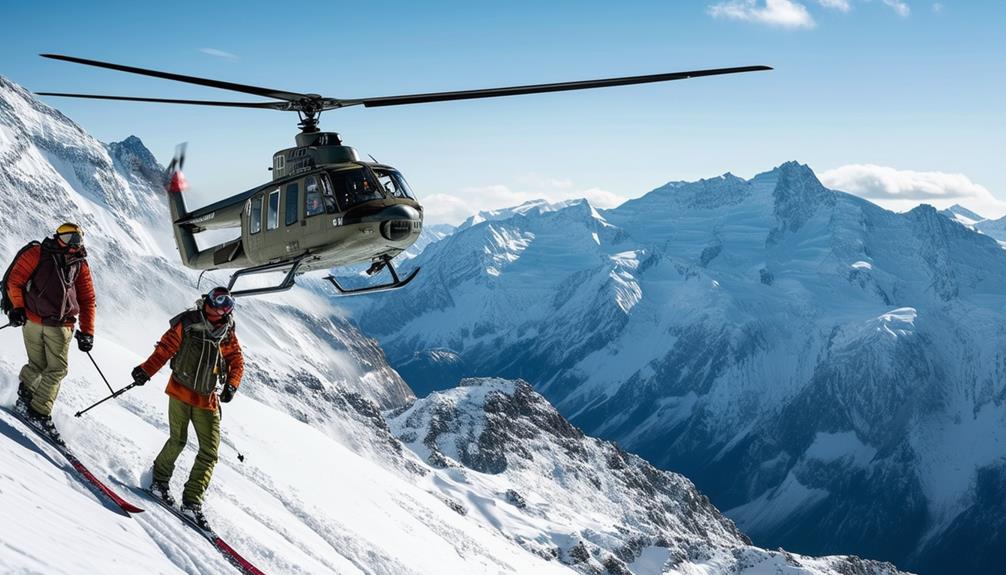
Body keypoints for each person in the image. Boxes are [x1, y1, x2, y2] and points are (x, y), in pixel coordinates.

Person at [131, 287, 243, 528]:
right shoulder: (189, 322)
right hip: (181, 392)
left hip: (206, 399)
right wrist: (145, 370)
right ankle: (159, 482)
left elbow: (236, 360)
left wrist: (232, 385)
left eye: (227, 303)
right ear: (208, 300)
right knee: (178, 440)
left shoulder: (226, 332)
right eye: (218, 300)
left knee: (209, 452)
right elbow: (166, 348)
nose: (222, 306)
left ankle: (191, 502)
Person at [6, 223, 96, 445]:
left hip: (44, 322)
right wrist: (17, 308)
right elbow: (15, 281)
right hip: (46, 323)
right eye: (70, 238)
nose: (75, 243)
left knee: (38, 365)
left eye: (79, 238)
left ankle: (25, 399)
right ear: (59, 237)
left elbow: (87, 300)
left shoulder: (79, 264)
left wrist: (88, 331)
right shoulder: (40, 253)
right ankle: (38, 412)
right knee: (56, 370)